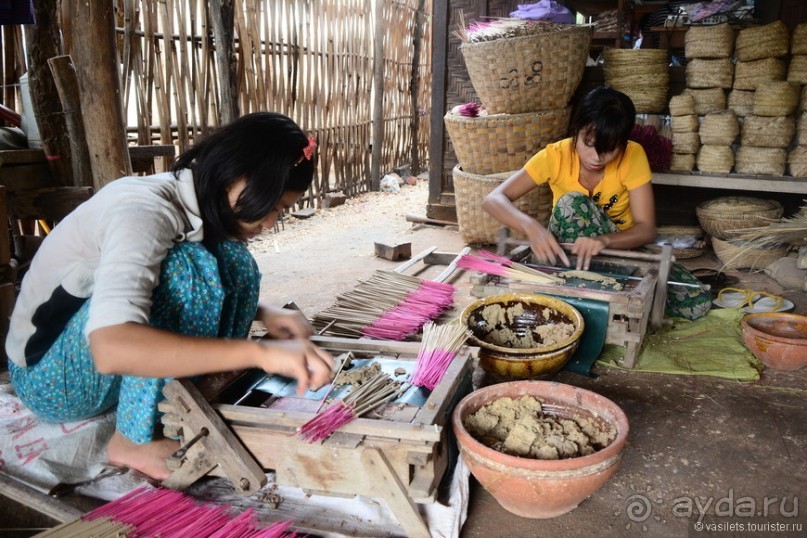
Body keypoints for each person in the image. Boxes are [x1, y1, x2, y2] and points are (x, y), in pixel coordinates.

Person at [5, 112, 334, 480]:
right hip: (50, 379)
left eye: (281, 210)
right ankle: (132, 442)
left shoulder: (193, 207)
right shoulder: (143, 212)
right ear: (235, 175)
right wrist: (261, 352)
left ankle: (205, 378)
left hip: (80, 359)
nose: (271, 221)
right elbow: (110, 347)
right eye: (272, 205)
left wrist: (265, 312)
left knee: (234, 259)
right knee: (185, 270)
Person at [482, 86, 710, 321]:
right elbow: (493, 199)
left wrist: (603, 241)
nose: (597, 158)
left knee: (697, 304)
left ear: (623, 143)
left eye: (609, 150)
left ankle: (597, 291)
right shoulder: (555, 156)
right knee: (571, 202)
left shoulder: (633, 155)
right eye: (588, 144)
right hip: (567, 253)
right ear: (576, 129)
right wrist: (530, 227)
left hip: (618, 250)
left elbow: (645, 228)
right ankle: (590, 291)